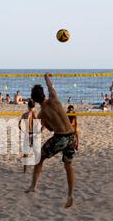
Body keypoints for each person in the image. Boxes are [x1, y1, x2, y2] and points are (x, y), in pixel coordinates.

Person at [25, 73, 76, 209]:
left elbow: (50, 129)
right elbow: (50, 85)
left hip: (60, 138)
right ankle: (70, 195)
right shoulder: (54, 98)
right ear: (44, 94)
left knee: (39, 158)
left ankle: (33, 186)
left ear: (34, 101)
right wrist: (46, 76)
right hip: (72, 135)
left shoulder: (41, 114)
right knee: (68, 165)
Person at [19, 100, 38, 173]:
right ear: (34, 106)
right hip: (34, 134)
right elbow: (39, 124)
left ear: (28, 106)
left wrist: (23, 131)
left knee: (25, 153)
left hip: (27, 134)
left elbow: (19, 125)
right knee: (36, 152)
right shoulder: (35, 114)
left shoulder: (24, 114)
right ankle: (37, 169)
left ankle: (24, 170)